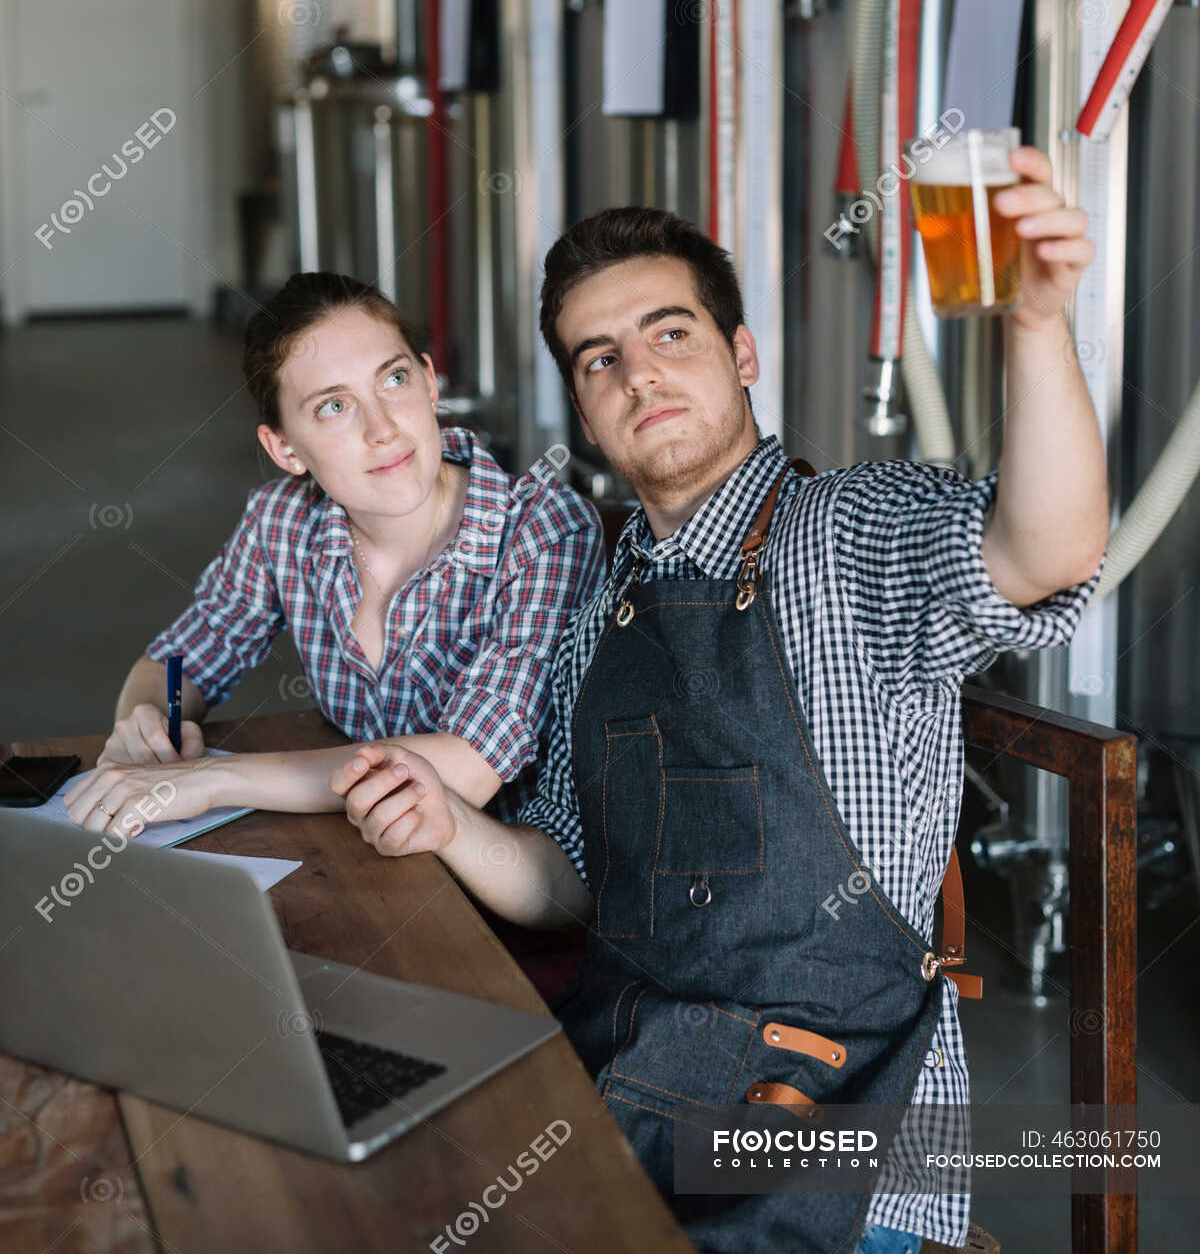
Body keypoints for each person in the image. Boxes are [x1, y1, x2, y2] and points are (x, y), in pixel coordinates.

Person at [329, 146, 1108, 1254]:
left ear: (743, 355)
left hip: (831, 1124)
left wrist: (1034, 327)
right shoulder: (601, 608)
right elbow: (569, 884)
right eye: (599, 360)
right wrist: (449, 825)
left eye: (670, 333)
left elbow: (1045, 545)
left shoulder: (844, 536)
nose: (638, 373)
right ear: (587, 419)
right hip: (625, 1081)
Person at [64, 272, 604, 840]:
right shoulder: (283, 521)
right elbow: (179, 661)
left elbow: (468, 766)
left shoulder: (542, 529)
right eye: (333, 407)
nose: (383, 428)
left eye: (393, 380)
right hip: (361, 848)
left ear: (428, 381)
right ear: (285, 449)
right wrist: (143, 723)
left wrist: (210, 780)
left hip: (504, 881)